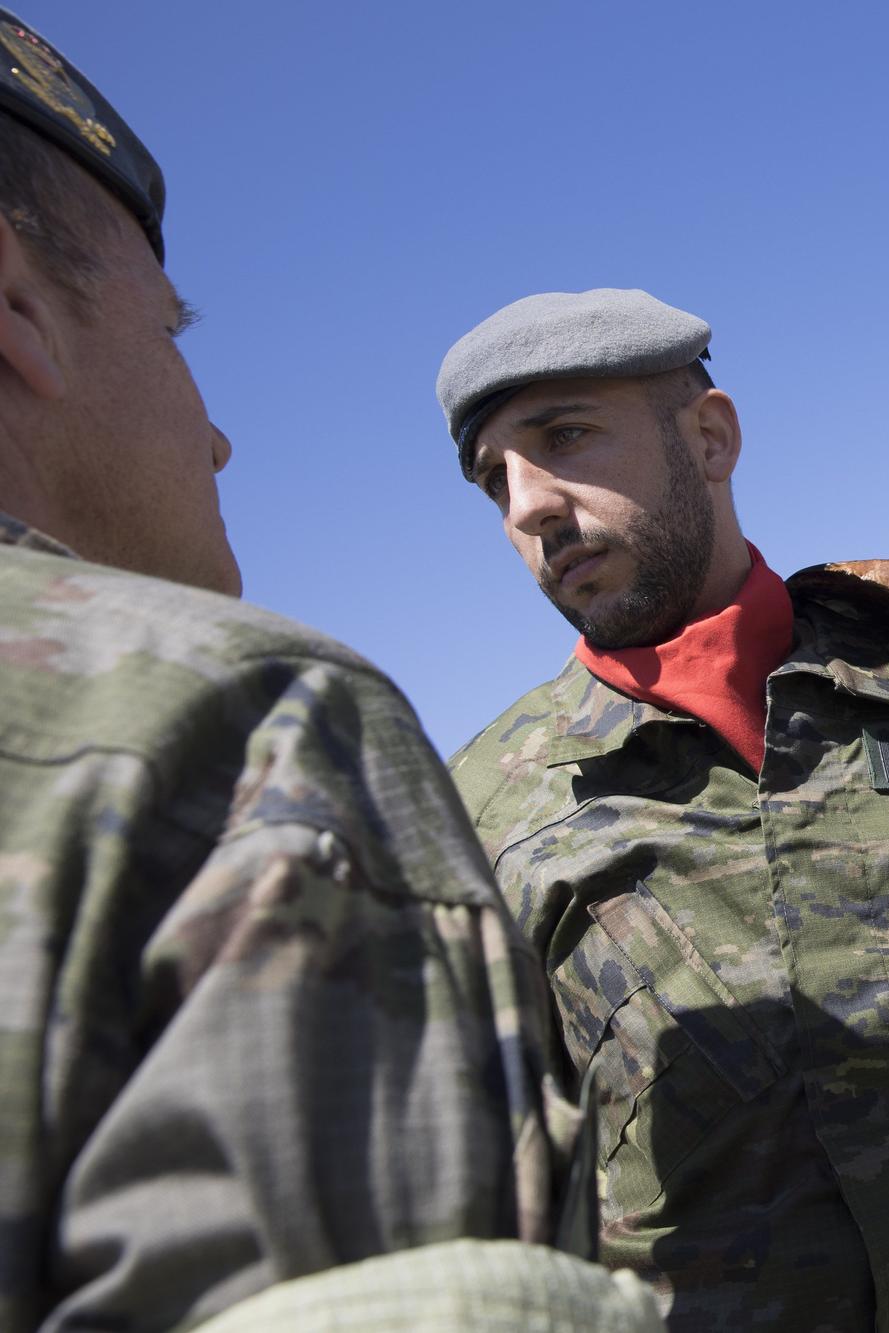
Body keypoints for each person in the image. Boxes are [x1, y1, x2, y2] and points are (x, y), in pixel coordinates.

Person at [0, 18, 662, 1332]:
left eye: (569, 437)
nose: (224, 431)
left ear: (712, 430)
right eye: (177, 332)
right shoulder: (259, 736)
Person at [435, 290, 889, 1326]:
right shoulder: (483, 813)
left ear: (709, 437)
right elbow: (490, 1202)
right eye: (497, 480)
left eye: (565, 437)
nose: (529, 504)